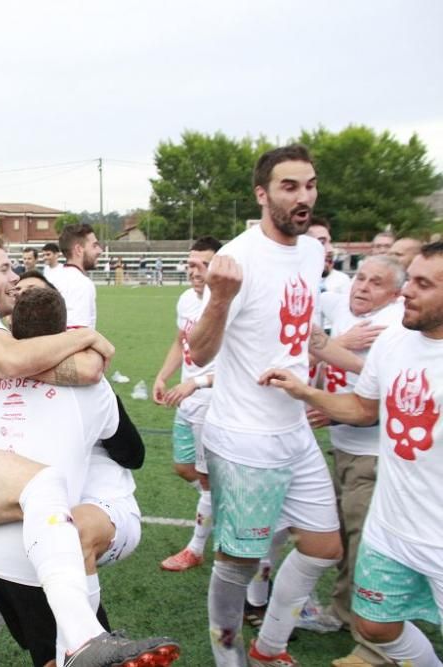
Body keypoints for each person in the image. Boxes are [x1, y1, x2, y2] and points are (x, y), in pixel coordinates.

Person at [0, 235, 175, 667]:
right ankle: (84, 638)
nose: (14, 277)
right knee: (44, 485)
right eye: (5, 269)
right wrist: (89, 340)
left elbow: (12, 360)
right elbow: (18, 361)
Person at [187, 144, 344, 667]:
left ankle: (268, 647)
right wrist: (220, 298)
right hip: (245, 437)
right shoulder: (237, 259)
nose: (305, 197)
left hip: (294, 429)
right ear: (262, 194)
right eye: (290, 187)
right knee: (238, 561)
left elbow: (302, 333)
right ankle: (227, 659)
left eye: (311, 185)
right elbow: (200, 351)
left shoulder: (312, 251)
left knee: (326, 547)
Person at [0, 286, 166, 667]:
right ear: (63, 332)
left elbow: (129, 453)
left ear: (12, 329)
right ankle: (84, 644)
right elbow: (132, 452)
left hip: (10, 539)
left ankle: (77, 646)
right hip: (35, 533)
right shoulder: (84, 384)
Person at [261, 241, 443, 667]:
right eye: (409, 279)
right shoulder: (396, 340)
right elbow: (364, 408)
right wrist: (305, 391)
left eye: (423, 284)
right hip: (391, 527)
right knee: (376, 626)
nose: (406, 292)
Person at [314, 255, 405, 667]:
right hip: (341, 443)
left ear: (396, 293)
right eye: (361, 277)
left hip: (374, 450)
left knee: (362, 539)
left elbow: (390, 393)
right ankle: (344, 611)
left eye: (377, 282)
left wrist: (333, 352)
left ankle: (365, 632)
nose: (363, 287)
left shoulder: (397, 323)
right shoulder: (334, 302)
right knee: (337, 533)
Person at [153, 236, 222, 572]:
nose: (195, 271)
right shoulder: (185, 300)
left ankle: (195, 548)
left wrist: (195, 382)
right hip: (186, 400)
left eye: (203, 264)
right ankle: (220, 502)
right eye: (191, 263)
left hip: (211, 402)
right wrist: (163, 376)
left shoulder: (223, 306)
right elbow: (180, 342)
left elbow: (238, 366)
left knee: (207, 482)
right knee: (184, 468)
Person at [46, 223, 102, 329]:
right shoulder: (81, 284)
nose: (100, 251)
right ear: (79, 250)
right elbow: (77, 336)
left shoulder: (53, 277)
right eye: (94, 245)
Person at [306, 218, 351, 295]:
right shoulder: (286, 284)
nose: (330, 249)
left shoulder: (342, 281)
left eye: (330, 242)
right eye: (321, 242)